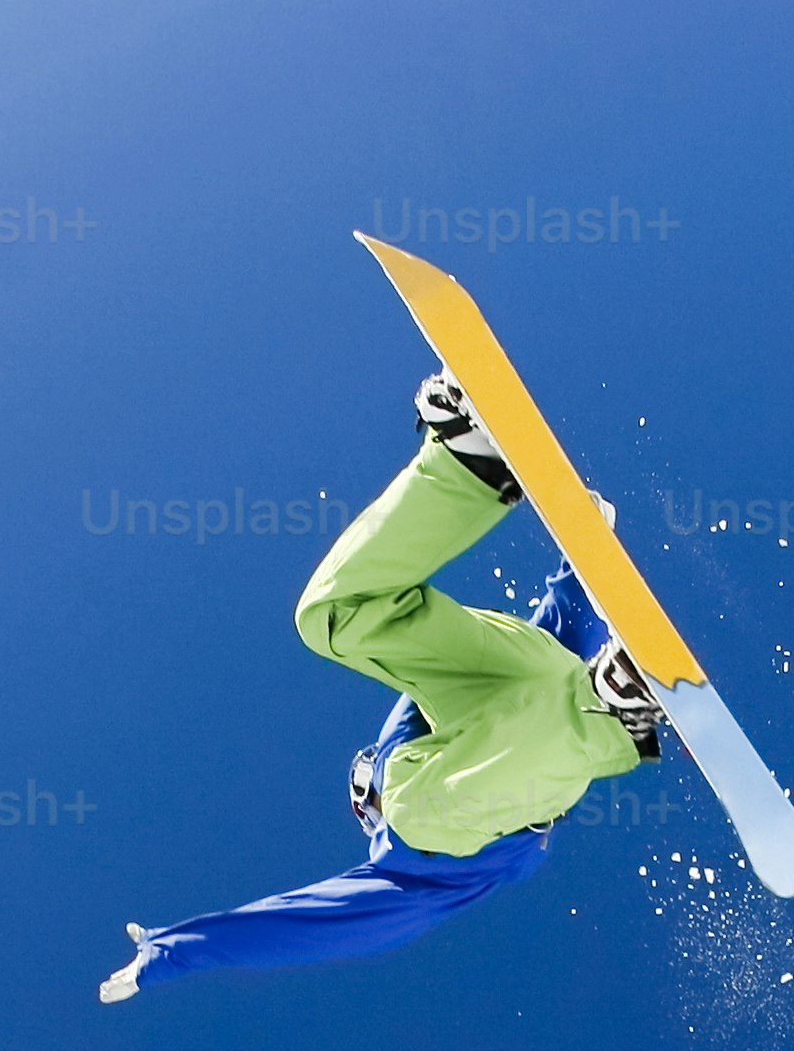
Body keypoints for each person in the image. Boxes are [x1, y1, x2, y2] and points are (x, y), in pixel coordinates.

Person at [100, 373, 664, 998]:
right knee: (420, 808)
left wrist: (585, 565)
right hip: (542, 753)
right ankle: (610, 712)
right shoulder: (404, 871)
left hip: (537, 690)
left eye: (363, 781)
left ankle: (469, 467)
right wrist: (173, 953)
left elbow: (540, 661)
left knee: (331, 619)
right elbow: (305, 924)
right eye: (364, 796)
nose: (369, 789)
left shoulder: (405, 758)